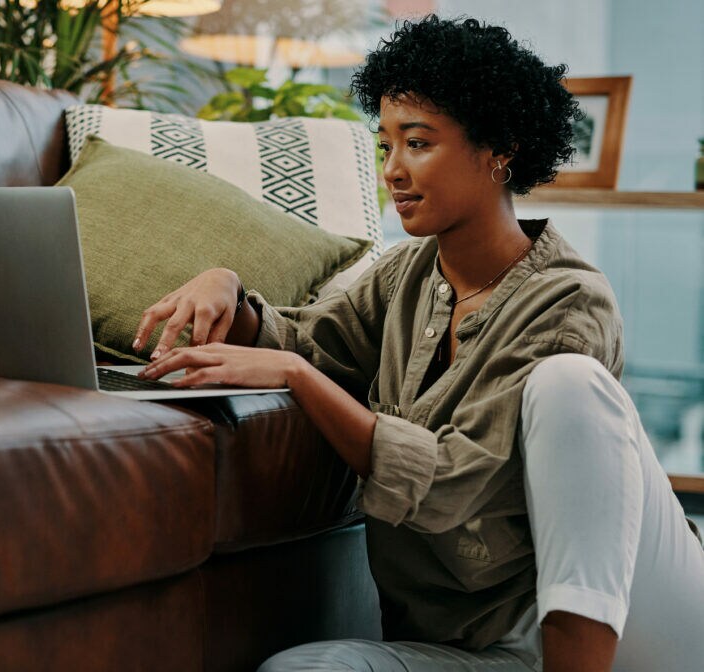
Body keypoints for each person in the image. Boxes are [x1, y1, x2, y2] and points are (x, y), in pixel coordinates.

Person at [133, 15, 704, 672]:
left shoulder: (570, 299)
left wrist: (296, 374)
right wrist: (223, 288)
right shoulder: (406, 276)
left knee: (568, 383)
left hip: (629, 628)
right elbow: (306, 339)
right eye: (385, 147)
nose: (394, 171)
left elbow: (457, 481)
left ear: (498, 150)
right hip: (475, 645)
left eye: (419, 143)